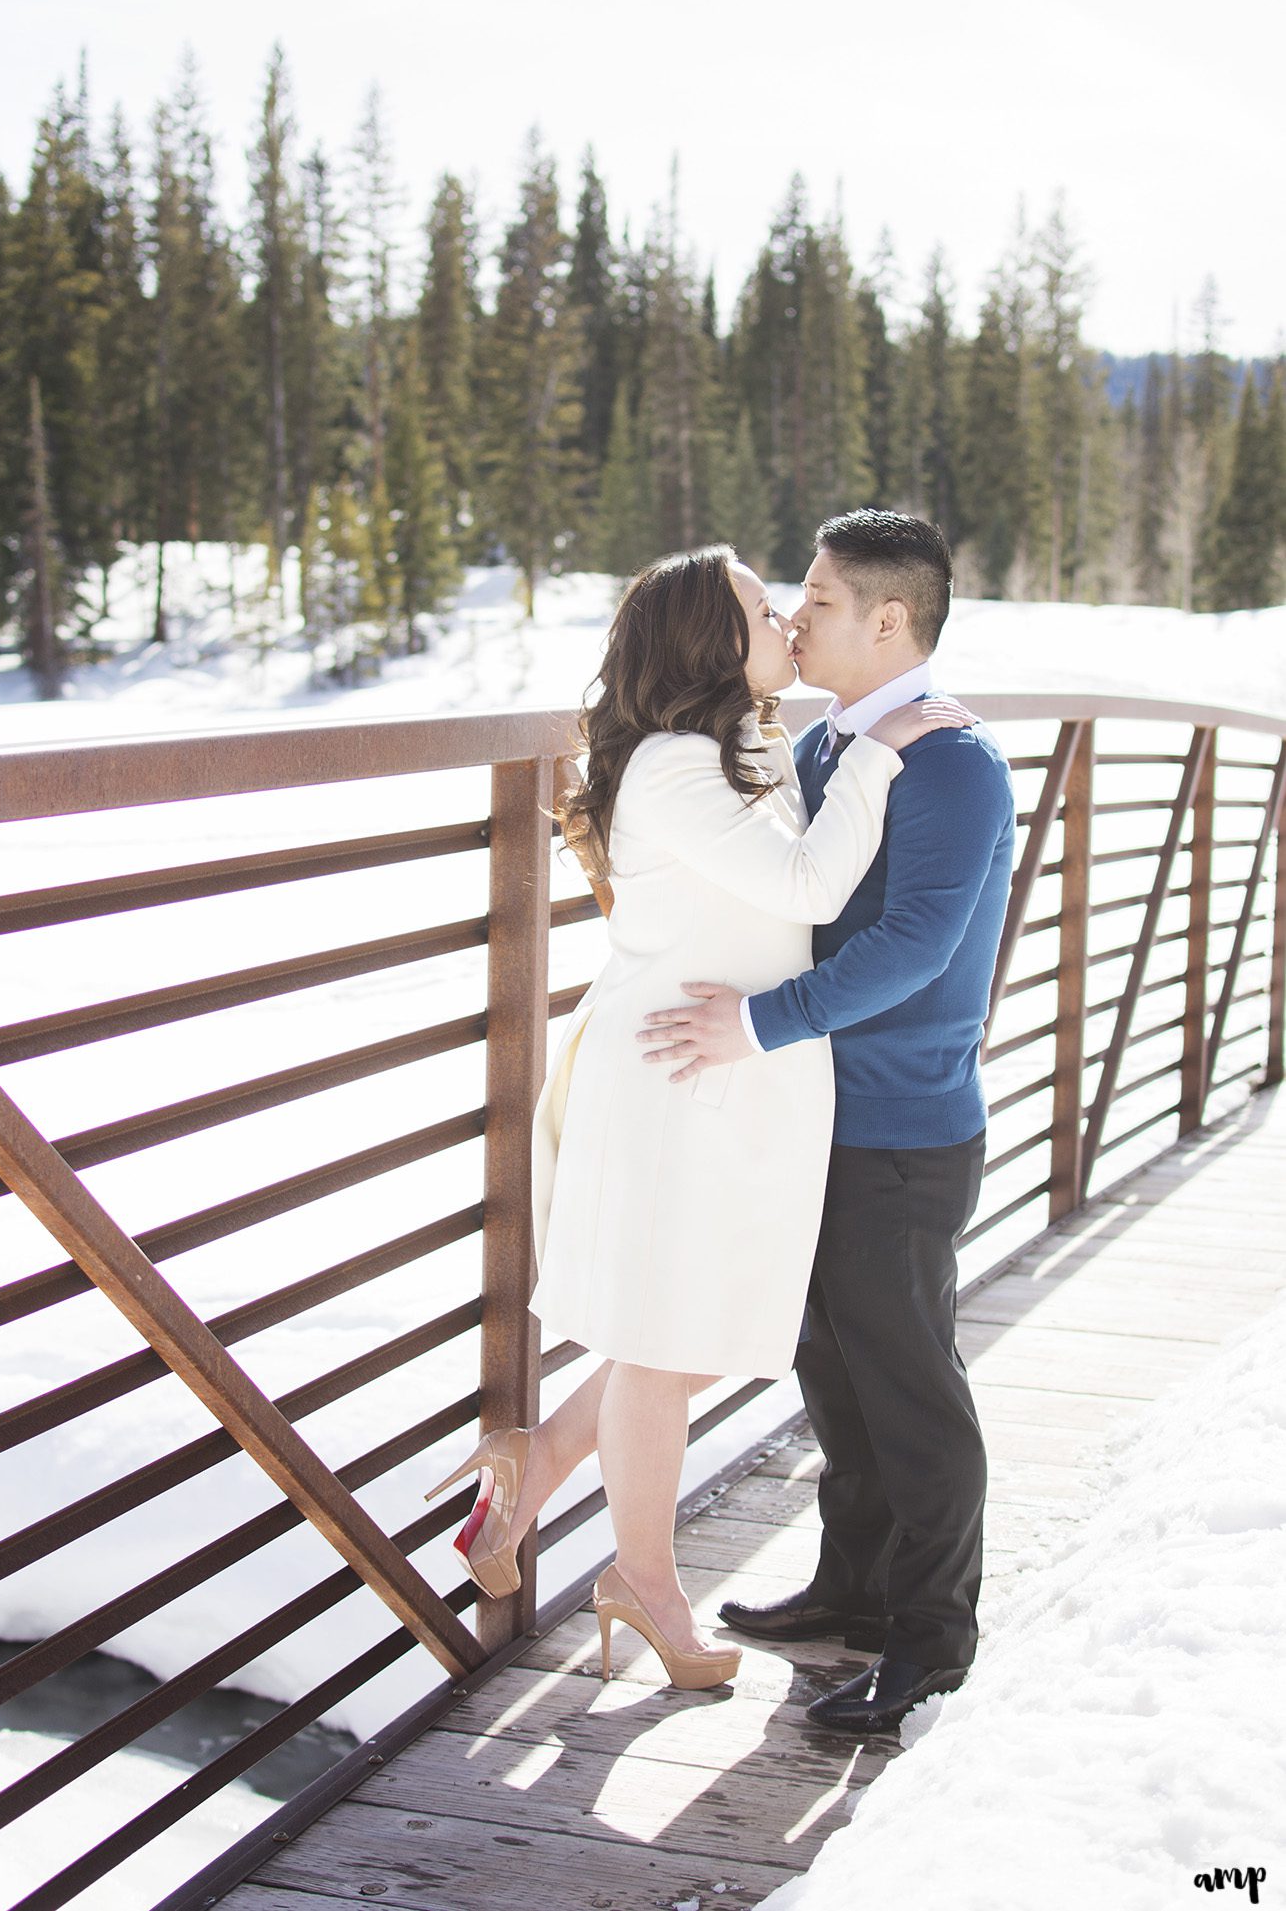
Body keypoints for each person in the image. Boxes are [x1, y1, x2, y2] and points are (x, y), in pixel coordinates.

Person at [425, 543, 969, 1690]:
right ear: (713, 644)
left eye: (799, 602)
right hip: (682, 1079)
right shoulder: (679, 763)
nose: (786, 618)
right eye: (766, 608)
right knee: (674, 1346)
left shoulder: (747, 744)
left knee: (698, 1327)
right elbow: (813, 891)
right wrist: (876, 751)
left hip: (730, 1076)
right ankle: (647, 1585)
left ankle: (537, 1458)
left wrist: (852, 747)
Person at [637, 510, 1016, 1734]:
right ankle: (852, 1592)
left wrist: (753, 1024)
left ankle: (932, 1640)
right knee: (836, 1379)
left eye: (820, 596)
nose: (797, 614)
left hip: (901, 1131)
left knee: (908, 1388)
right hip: (817, 1121)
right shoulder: (828, 745)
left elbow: (915, 948)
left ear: (889, 620)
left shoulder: (953, 760)